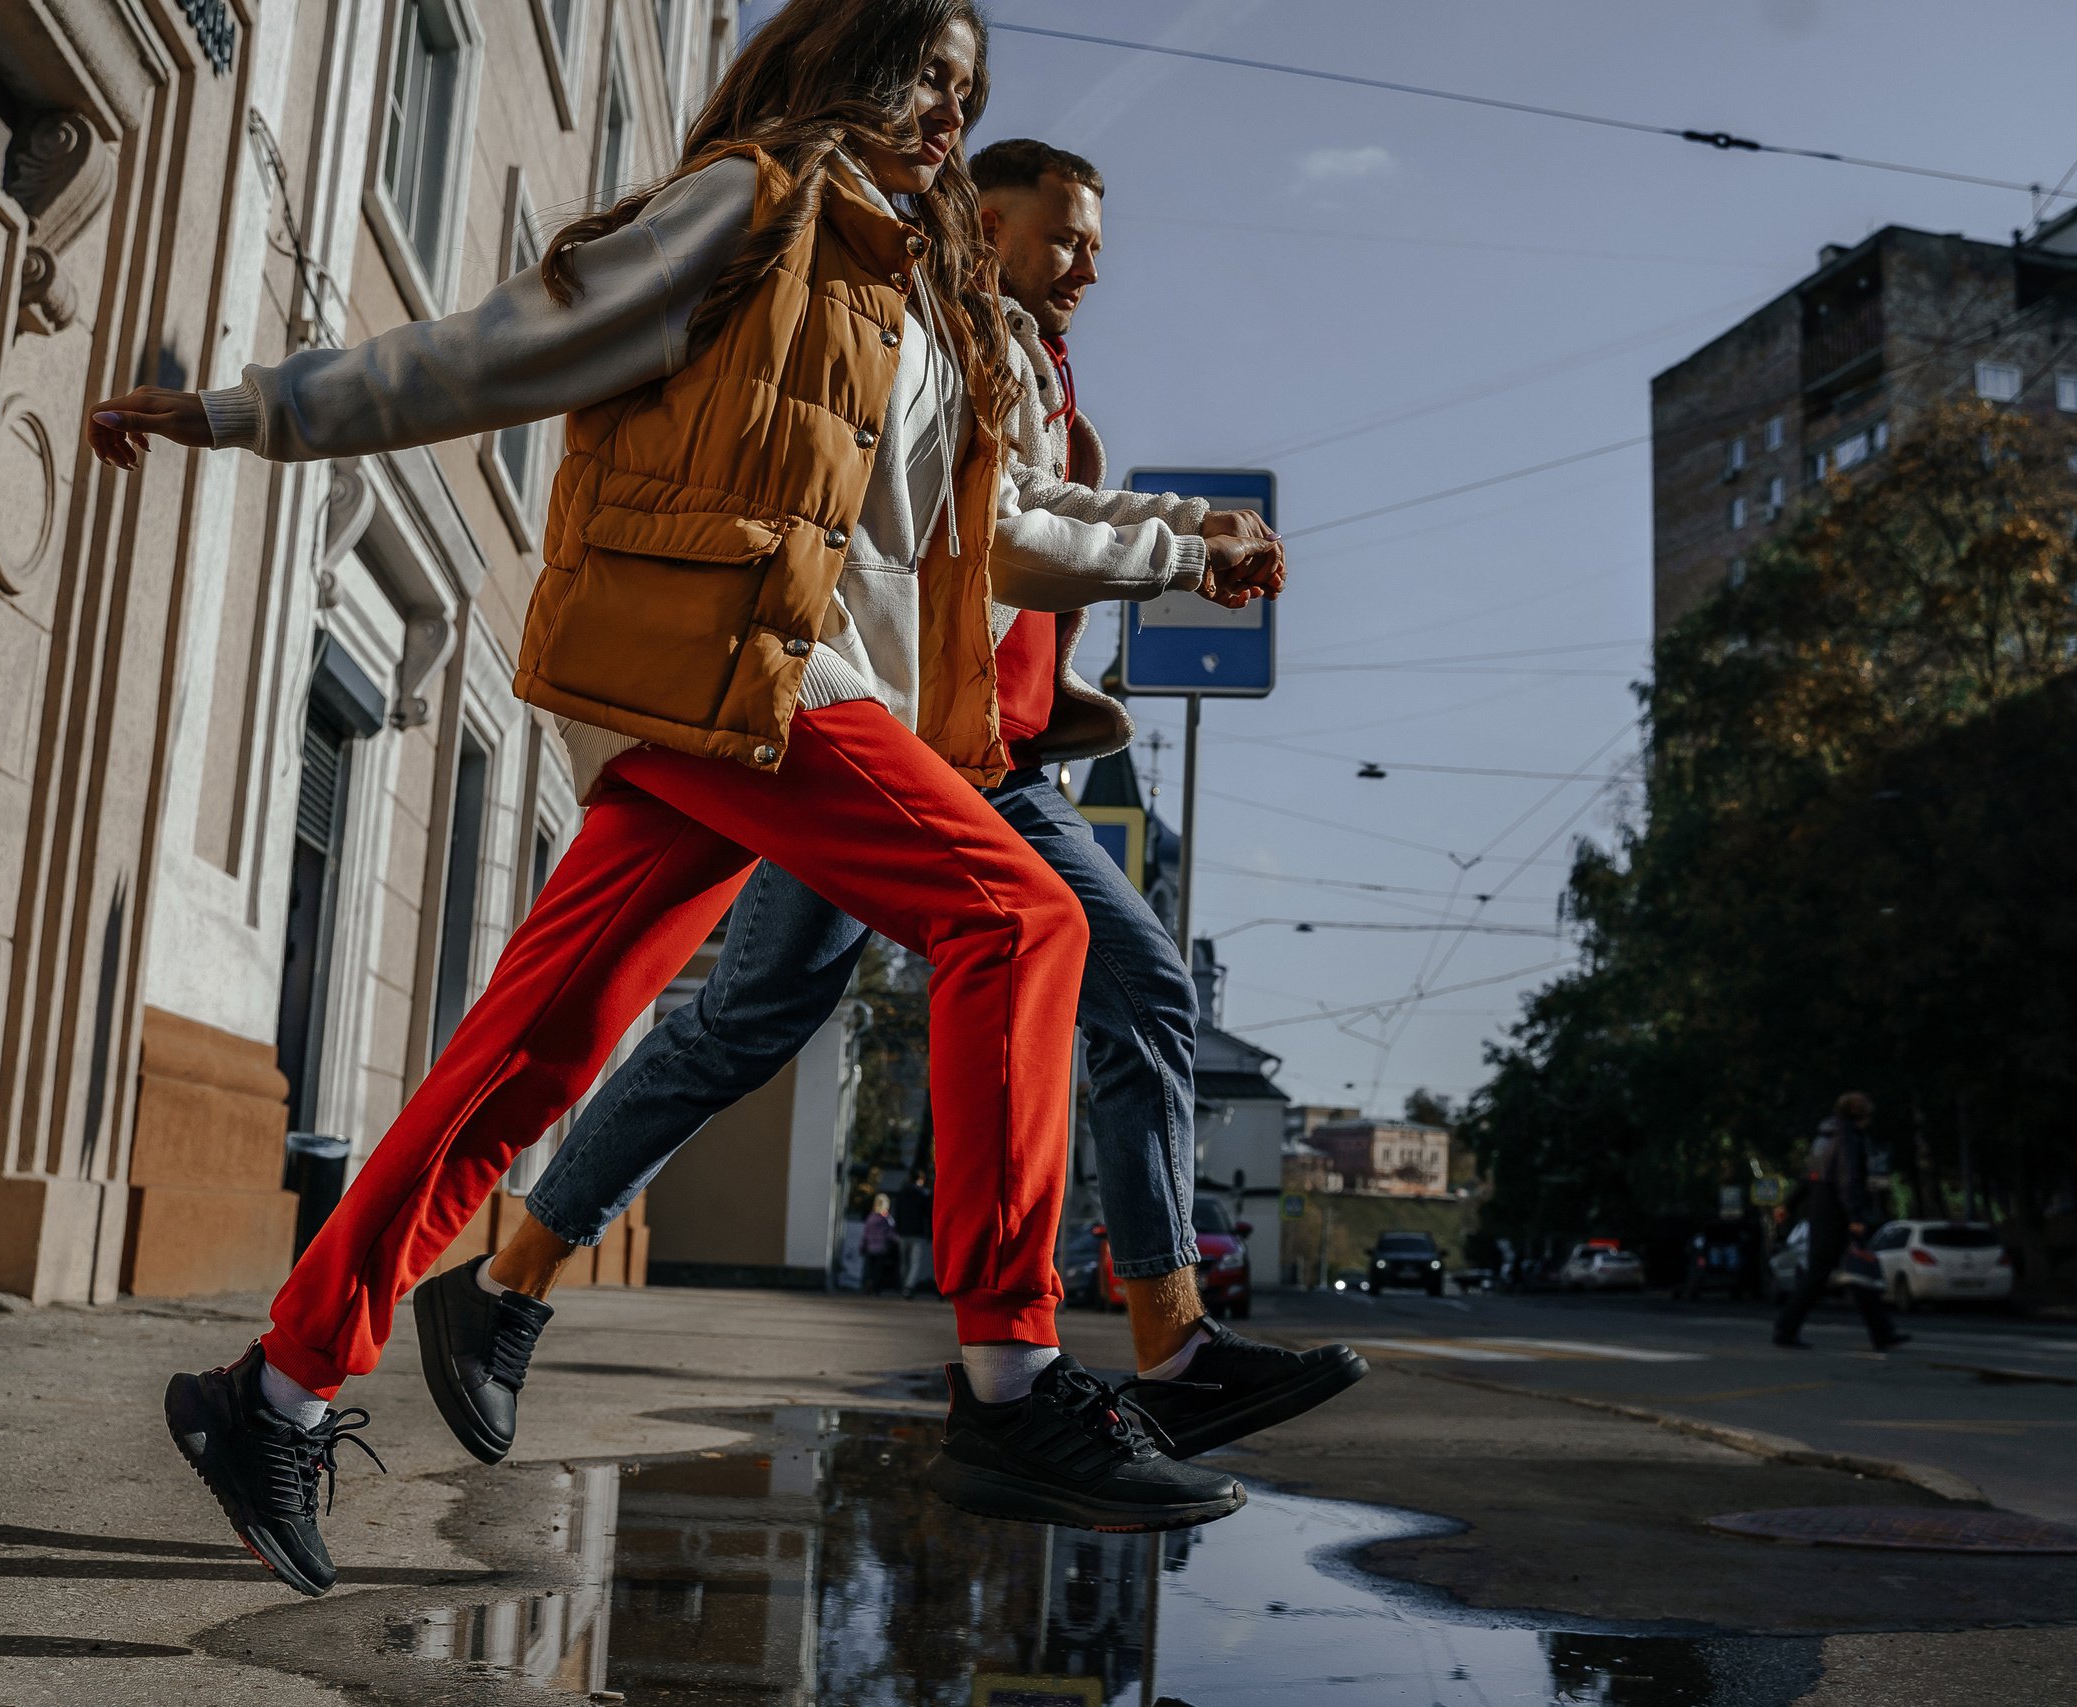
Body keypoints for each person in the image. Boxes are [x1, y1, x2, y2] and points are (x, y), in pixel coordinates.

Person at [89, 0, 1282, 1598]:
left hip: (764, 708)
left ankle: (274, 1393)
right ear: (846, 62)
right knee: (1019, 916)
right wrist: (253, 410)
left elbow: (999, 530)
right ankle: (1011, 1379)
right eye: (927, 74)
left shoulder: (918, 292)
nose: (949, 110)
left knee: (534, 1049)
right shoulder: (752, 202)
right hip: (743, 668)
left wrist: (1189, 544)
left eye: (969, 87)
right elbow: (514, 342)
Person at [440, 133, 1366, 1472]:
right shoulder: (928, 346)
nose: (1089, 264)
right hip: (890, 749)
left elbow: (1058, 502)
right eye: (1066, 235)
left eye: (1096, 242)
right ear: (987, 225)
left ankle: (1175, 1345)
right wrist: (1179, 547)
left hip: (1008, 772)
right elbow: (1004, 534)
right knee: (744, 1024)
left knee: (1146, 996)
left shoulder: (1041, 375)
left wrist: (1190, 530)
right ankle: (507, 1280)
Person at [1773, 1092, 1910, 1352]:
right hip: (1836, 1210)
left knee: (1855, 1271)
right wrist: (1855, 1216)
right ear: (1860, 1115)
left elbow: (1809, 1175)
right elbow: (1849, 1179)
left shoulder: (1824, 1137)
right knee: (1835, 1271)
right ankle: (1785, 1328)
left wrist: (1789, 1204)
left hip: (1821, 1206)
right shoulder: (1848, 1137)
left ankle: (1882, 1332)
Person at [893, 1168, 935, 1297]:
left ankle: (903, 1284)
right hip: (918, 1232)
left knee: (903, 1261)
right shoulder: (924, 1194)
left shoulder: (902, 1193)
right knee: (914, 1262)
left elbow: (897, 1213)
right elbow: (928, 1214)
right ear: (921, 1180)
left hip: (903, 1232)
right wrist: (930, 1232)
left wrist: (897, 1230)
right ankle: (908, 1286)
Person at [861, 1193, 902, 1296]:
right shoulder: (886, 1218)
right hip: (881, 1247)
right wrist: (898, 1239)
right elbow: (889, 1233)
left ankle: (869, 1282)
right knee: (878, 1269)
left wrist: (862, 1245)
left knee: (870, 1268)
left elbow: (865, 1233)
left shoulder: (870, 1217)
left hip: (870, 1247)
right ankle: (876, 1287)